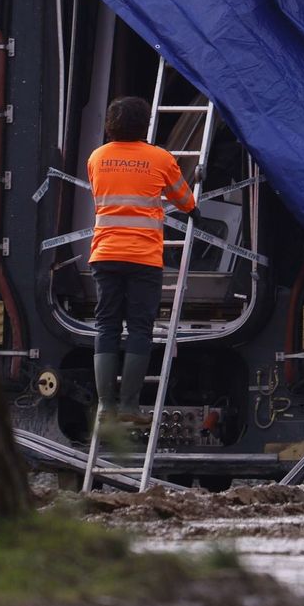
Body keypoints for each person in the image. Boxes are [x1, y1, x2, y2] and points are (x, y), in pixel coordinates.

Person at [87, 96, 199, 437]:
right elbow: (186, 201)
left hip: (104, 254)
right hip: (143, 258)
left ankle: (105, 408)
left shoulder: (97, 157)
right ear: (145, 124)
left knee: (106, 327)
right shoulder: (159, 158)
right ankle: (130, 407)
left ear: (110, 124)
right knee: (139, 329)